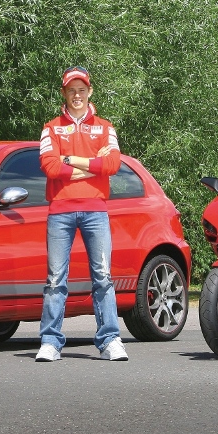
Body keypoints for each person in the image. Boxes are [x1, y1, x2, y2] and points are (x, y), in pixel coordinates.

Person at [36, 66, 128, 362]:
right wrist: (91, 166)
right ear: (64, 93)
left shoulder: (105, 127)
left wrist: (70, 161)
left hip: (96, 212)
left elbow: (113, 164)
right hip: (60, 212)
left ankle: (110, 340)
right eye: (71, 90)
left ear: (90, 92)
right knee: (55, 279)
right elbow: (49, 167)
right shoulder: (50, 127)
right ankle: (50, 341)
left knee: (103, 277)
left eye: (82, 89)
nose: (77, 95)